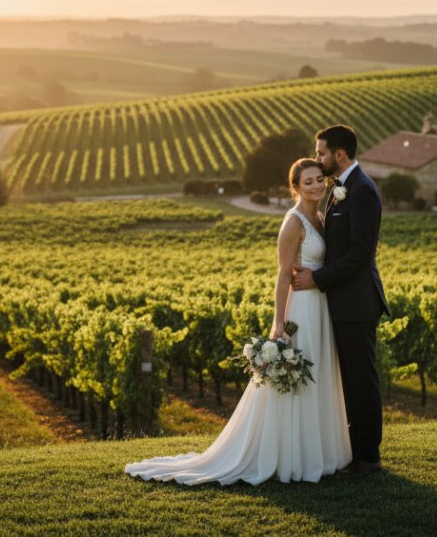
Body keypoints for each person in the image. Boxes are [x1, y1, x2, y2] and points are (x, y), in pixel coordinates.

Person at [124, 158, 351, 485]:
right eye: (308, 182)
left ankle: (319, 452)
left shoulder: (320, 215)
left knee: (318, 375)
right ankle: (292, 456)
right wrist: (278, 322)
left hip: (321, 306)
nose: (316, 186)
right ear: (295, 187)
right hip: (301, 308)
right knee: (296, 382)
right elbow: (283, 275)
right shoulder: (293, 222)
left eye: (319, 180)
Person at [291, 124, 388, 473]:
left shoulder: (360, 190)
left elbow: (361, 252)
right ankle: (353, 449)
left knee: (361, 380)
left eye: (321, 153)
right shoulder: (339, 188)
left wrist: (317, 278)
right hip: (341, 301)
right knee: (348, 380)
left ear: (339, 154)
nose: (317, 158)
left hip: (357, 303)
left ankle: (368, 456)